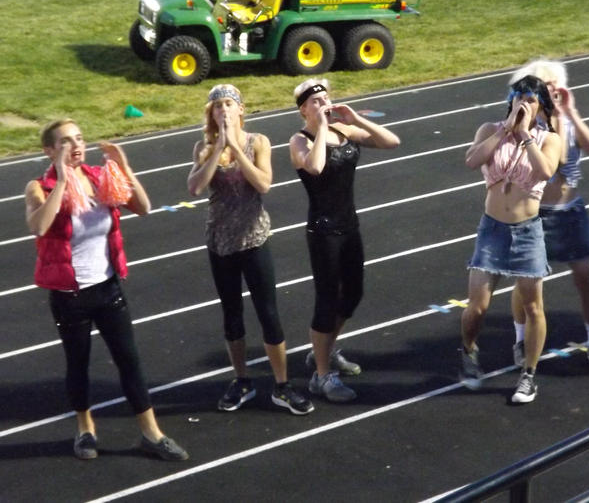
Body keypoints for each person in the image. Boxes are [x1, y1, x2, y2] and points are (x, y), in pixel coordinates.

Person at [25, 119, 188, 461]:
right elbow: (39, 225)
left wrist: (125, 168)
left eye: (79, 138)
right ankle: (85, 429)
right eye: (66, 142)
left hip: (107, 288)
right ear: (50, 150)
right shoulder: (39, 187)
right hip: (70, 296)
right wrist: (62, 180)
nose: (77, 145)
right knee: (78, 363)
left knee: (129, 361)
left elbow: (143, 207)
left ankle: (151, 433)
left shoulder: (100, 177)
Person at [187, 84, 312, 416]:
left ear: (241, 109)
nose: (223, 110)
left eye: (229, 104)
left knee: (268, 313)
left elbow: (264, 184)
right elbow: (195, 187)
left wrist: (236, 149)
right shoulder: (203, 146)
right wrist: (219, 149)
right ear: (211, 114)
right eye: (217, 106)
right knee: (232, 315)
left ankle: (282, 386)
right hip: (220, 240)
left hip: (254, 237)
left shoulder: (258, 142)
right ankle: (241, 380)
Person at [289, 79, 400, 403]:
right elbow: (316, 166)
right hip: (323, 231)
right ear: (303, 110)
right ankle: (322, 376)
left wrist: (356, 119)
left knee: (352, 295)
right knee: (327, 300)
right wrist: (322, 127)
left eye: (326, 97)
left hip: (349, 226)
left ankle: (323, 350)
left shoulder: (344, 131)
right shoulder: (299, 140)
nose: (323, 102)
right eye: (315, 101)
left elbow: (392, 141)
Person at [460, 75, 562, 403]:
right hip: (492, 228)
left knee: (533, 305)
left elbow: (545, 171)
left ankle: (528, 375)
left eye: (532, 101)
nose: (524, 106)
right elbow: (472, 160)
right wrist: (506, 130)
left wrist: (525, 137)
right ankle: (469, 351)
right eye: (520, 99)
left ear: (541, 106)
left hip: (527, 231)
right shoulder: (489, 130)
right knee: (477, 306)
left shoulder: (549, 139)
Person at [507, 59, 589, 372]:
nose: (553, 92)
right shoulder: (530, 126)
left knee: (585, 278)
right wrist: (553, 118)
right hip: (536, 213)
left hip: (570, 212)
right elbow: (558, 159)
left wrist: (572, 113)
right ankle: (520, 339)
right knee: (526, 285)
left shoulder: (565, 118)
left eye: (555, 86)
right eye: (546, 87)